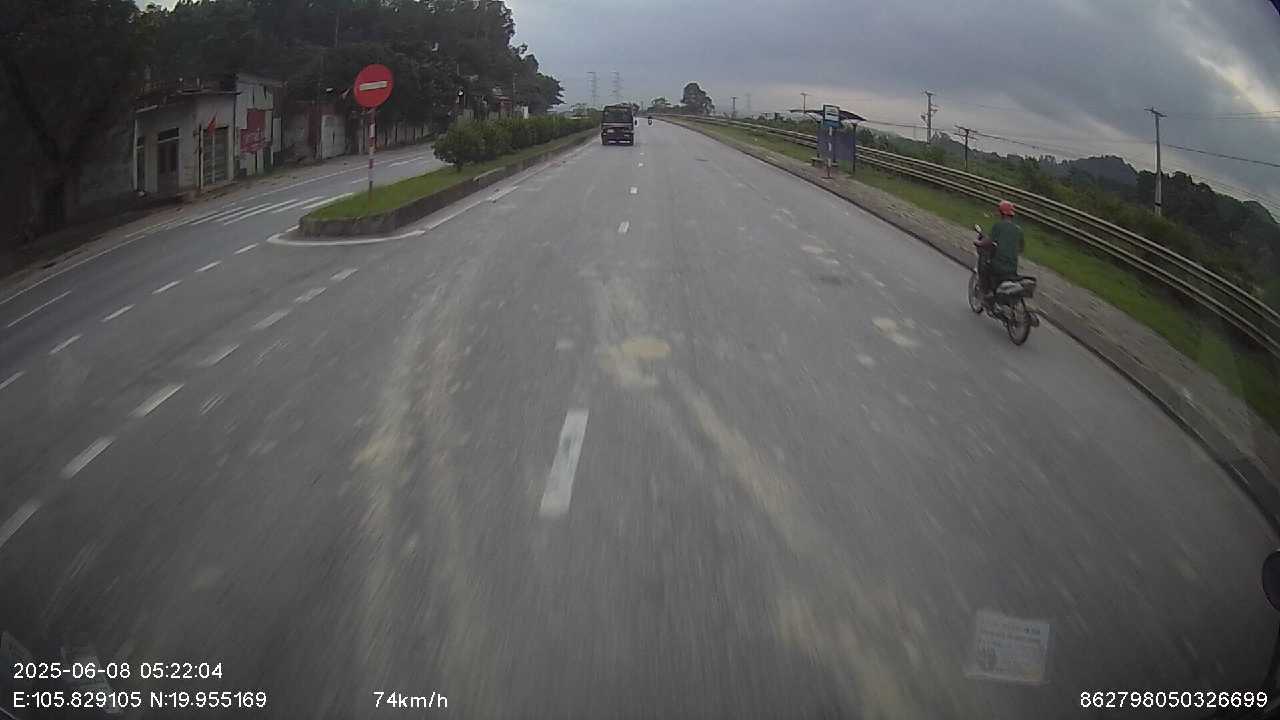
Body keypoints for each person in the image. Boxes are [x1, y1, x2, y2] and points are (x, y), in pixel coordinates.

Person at [977, 200, 1024, 302]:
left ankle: (987, 293)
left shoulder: (998, 226)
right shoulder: (1019, 230)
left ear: (1002, 213)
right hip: (1012, 267)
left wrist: (978, 243)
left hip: (998, 265)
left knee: (984, 268)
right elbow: (1020, 249)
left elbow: (988, 242)